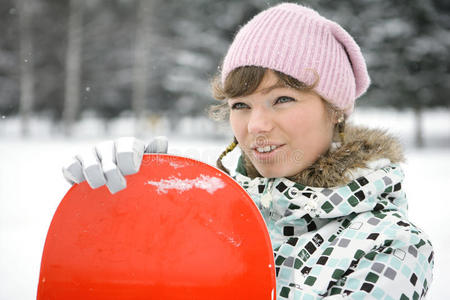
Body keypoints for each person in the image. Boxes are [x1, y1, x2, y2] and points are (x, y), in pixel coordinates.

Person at [62, 3, 434, 299]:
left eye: (282, 99)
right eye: (240, 105)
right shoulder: (203, 210)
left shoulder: (390, 245)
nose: (255, 126)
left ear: (335, 109)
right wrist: (133, 205)